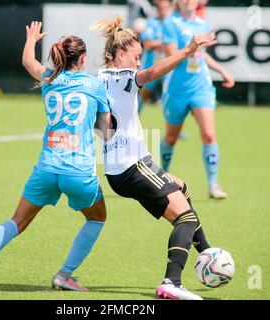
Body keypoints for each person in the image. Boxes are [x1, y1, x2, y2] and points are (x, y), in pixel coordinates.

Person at [0, 21, 111, 292]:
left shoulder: (48, 78)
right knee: (97, 218)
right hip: (78, 171)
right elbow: (107, 133)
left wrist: (31, 38)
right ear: (82, 59)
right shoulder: (94, 86)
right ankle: (64, 275)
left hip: (46, 169)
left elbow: (27, 60)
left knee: (17, 221)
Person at [90, 16, 214, 300]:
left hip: (126, 166)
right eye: (136, 57)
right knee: (185, 217)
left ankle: (206, 252)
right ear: (120, 54)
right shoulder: (124, 78)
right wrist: (187, 50)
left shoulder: (98, 79)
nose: (138, 63)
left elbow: (101, 127)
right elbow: (155, 71)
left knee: (181, 187)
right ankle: (171, 282)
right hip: (131, 167)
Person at [160, 0, 234, 199]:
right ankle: (162, 178)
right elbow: (170, 56)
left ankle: (213, 185)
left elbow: (202, 56)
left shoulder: (202, 24)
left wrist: (222, 70)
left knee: (209, 135)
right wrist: (192, 47)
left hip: (201, 87)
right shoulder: (170, 23)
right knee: (171, 137)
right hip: (176, 89)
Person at [138, 0, 171, 113]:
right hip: (150, 67)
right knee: (142, 97)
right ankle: (130, 124)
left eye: (165, 7)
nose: (163, 10)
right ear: (157, 8)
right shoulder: (151, 23)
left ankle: (174, 130)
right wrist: (168, 42)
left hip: (168, 67)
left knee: (170, 98)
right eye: (160, 7)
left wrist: (159, 42)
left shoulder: (174, 24)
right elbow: (148, 44)